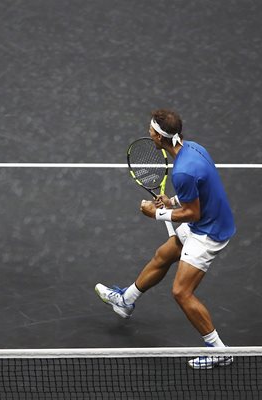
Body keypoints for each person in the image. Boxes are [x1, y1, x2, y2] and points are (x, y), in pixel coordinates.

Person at [95, 109, 236, 369]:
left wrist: (157, 212)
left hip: (208, 232)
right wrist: (171, 201)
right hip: (210, 219)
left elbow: (192, 213)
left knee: (181, 292)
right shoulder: (193, 148)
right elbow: (199, 191)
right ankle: (126, 300)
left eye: (151, 130)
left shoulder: (182, 171)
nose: (148, 132)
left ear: (160, 138)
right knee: (164, 255)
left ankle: (219, 350)